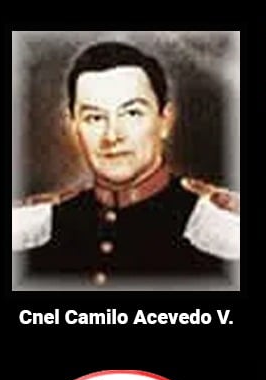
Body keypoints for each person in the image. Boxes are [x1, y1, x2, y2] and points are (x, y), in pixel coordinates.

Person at [14, 41, 239, 287]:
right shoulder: (31, 234)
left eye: (132, 113)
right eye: (95, 118)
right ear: (73, 126)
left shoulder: (221, 236)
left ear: (165, 120)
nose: (112, 135)